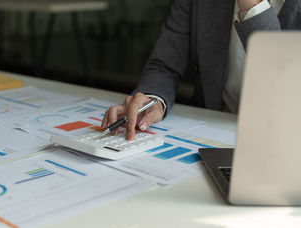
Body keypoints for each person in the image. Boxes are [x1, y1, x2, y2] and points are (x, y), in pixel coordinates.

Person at [101, 0, 301, 140]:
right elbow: (165, 64)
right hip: (211, 137)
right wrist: (153, 99)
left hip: (284, 143)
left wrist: (250, 5)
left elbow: (286, 90)